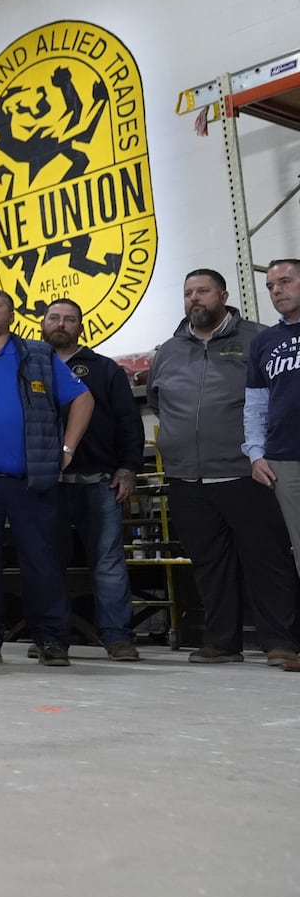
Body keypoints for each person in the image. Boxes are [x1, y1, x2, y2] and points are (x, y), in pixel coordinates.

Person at [0, 289, 93, 667]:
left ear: (11, 317)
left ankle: (52, 639)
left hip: (32, 477)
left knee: (41, 561)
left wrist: (67, 449)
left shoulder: (38, 355)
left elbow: (82, 398)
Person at [152, 269, 298, 665]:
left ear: (224, 295)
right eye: (187, 293)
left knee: (266, 559)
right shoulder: (167, 350)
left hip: (245, 471)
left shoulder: (257, 337)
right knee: (209, 564)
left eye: (203, 291)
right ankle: (221, 641)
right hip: (186, 477)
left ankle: (281, 642)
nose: (194, 299)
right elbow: (156, 401)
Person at [41, 298, 146, 661]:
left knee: (108, 562)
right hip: (47, 485)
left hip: (99, 481)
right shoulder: (30, 368)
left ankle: (117, 637)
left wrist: (129, 468)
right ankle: (50, 638)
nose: (61, 324)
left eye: (70, 319)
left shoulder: (104, 370)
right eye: (54, 317)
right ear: (42, 323)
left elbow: (129, 422)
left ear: (80, 328)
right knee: (46, 562)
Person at [247, 260, 300, 666]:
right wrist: (256, 452)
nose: (276, 290)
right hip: (285, 459)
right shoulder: (265, 342)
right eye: (269, 285)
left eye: (285, 281)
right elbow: (256, 405)